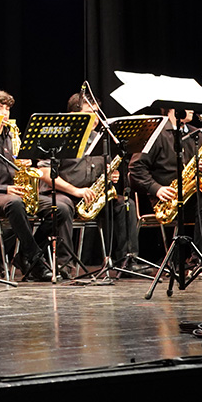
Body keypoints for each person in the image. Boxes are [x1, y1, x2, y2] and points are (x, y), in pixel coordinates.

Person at [0, 90, 72, 281]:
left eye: (7, 109)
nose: (5, 113)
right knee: (14, 203)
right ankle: (35, 260)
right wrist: (4, 189)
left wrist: (24, 165)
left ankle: (24, 255)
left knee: (60, 209)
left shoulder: (11, 135)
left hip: (15, 192)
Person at [129, 108, 202, 266]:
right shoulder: (154, 134)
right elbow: (136, 168)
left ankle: (198, 258)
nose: (192, 110)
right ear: (173, 108)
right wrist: (157, 188)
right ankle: (199, 263)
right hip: (168, 197)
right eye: (187, 106)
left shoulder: (196, 134)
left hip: (194, 192)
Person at [56, 93, 136, 271]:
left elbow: (105, 169)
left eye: (96, 113)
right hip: (66, 194)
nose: (95, 118)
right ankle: (64, 264)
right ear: (73, 115)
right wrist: (76, 191)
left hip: (92, 195)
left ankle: (127, 262)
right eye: (89, 112)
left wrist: (111, 176)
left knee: (125, 205)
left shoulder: (101, 139)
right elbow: (46, 173)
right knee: (62, 207)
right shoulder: (60, 137)